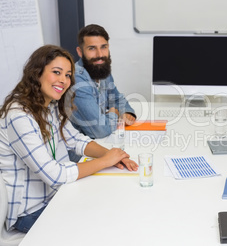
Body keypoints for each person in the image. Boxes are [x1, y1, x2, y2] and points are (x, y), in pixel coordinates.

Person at [0, 45, 138, 233]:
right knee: (102, 227)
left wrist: (115, 156)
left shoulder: (49, 106)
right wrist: (105, 161)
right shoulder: (19, 115)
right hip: (31, 212)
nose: (63, 80)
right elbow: (54, 175)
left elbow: (76, 140)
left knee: (114, 205)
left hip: (57, 196)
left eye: (67, 75)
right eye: (56, 72)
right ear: (37, 73)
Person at [67, 24, 136, 139]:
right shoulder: (77, 80)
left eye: (103, 47)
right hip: (80, 151)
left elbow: (117, 98)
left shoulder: (101, 69)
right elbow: (100, 130)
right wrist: (114, 114)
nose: (100, 55)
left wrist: (127, 112)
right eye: (92, 48)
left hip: (100, 141)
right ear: (80, 52)